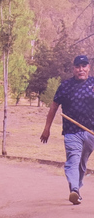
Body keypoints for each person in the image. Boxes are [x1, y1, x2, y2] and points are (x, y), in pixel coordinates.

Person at [40, 55, 94, 205]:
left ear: (89, 67)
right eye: (78, 67)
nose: (81, 69)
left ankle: (77, 188)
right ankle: (74, 190)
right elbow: (53, 107)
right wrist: (47, 129)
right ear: (73, 69)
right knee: (73, 160)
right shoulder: (65, 86)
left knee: (82, 164)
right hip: (71, 131)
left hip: (90, 132)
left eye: (84, 66)